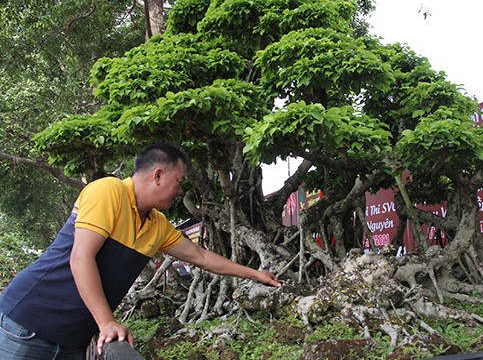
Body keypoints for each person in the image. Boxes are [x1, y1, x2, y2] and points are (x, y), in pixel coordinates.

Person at [0, 143, 280, 359]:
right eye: (179, 182)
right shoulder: (108, 191)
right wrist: (107, 322)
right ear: (158, 175)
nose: (179, 191)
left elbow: (202, 257)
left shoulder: (157, 225)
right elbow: (80, 257)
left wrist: (255, 274)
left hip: (72, 339)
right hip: (27, 325)